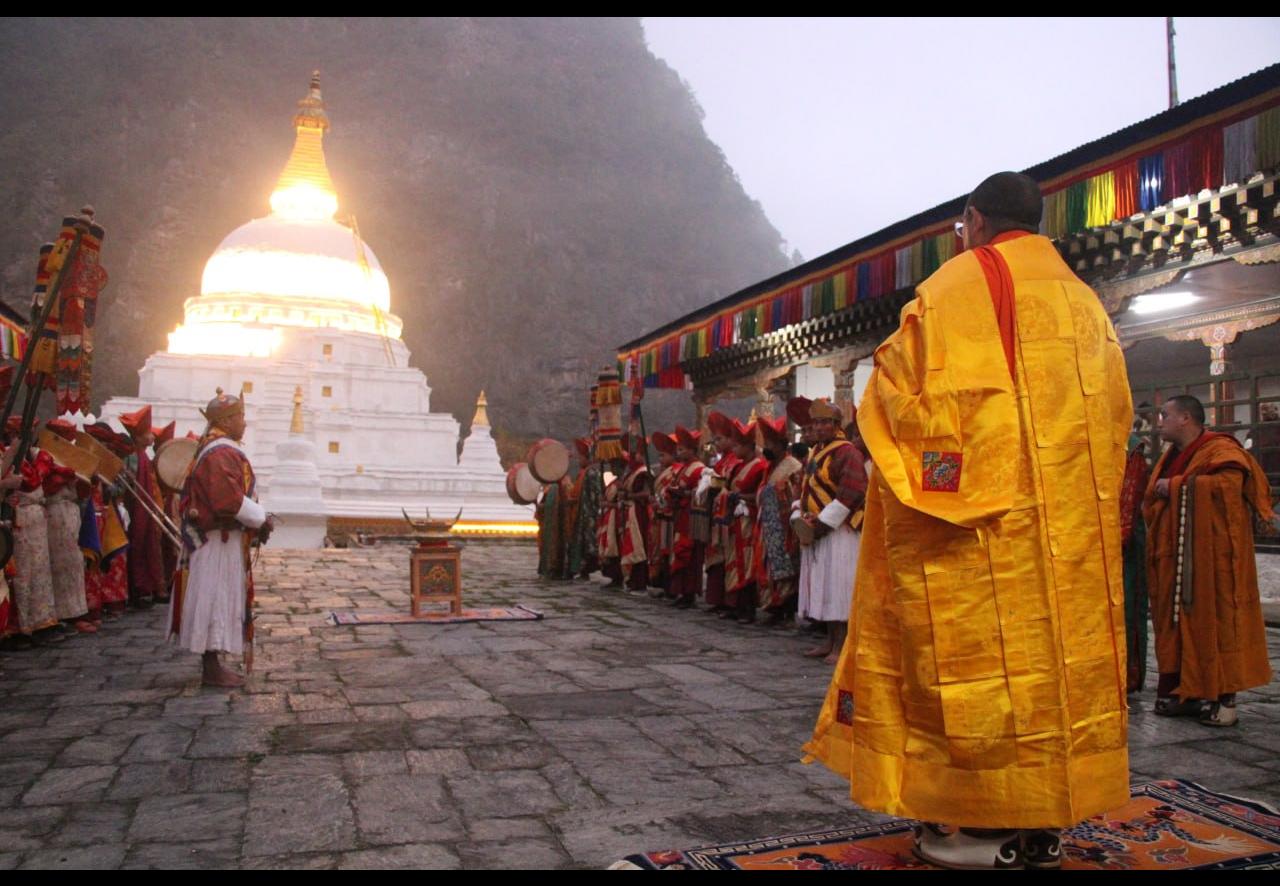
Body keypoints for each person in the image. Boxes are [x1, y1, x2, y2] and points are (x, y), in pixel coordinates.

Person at [806, 172, 1134, 870]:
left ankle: (979, 821)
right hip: (1065, 539)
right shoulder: (1086, 304)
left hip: (977, 536)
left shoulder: (955, 289)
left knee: (975, 677)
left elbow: (900, 399)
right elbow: (1114, 420)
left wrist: (952, 477)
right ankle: (1045, 813)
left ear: (975, 220)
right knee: (1052, 672)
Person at [1143, 394, 1274, 726]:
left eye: (1165, 416)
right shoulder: (1173, 455)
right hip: (1176, 558)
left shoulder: (1221, 451)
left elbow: (1228, 489)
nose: (1160, 423)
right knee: (1176, 620)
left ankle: (1222, 698)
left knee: (1216, 621)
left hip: (1213, 559)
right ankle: (1186, 691)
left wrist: (1174, 486)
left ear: (1186, 418)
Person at [168, 388, 272, 688]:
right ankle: (211, 667)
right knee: (215, 598)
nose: (244, 422)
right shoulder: (221, 453)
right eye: (240, 416)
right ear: (226, 421)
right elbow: (228, 500)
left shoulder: (215, 448)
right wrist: (260, 517)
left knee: (218, 597)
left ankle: (214, 662)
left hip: (219, 539)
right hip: (217, 541)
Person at [792, 398, 865, 661]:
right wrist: (799, 515)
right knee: (823, 585)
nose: (819, 427)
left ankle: (842, 645)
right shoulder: (816, 452)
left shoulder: (847, 452)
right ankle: (829, 640)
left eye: (825, 422)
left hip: (840, 530)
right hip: (818, 527)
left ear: (836, 425)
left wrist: (823, 523)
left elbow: (853, 492)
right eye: (816, 423)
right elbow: (805, 487)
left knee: (839, 586)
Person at [753, 417, 803, 625]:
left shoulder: (792, 466)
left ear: (782, 446)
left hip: (784, 525)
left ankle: (786, 609)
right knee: (770, 565)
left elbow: (795, 492)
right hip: (769, 523)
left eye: (771, 444)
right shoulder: (770, 467)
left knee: (787, 566)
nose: (768, 448)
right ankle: (773, 607)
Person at [119, 405, 167, 608]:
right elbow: (127, 483)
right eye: (147, 433)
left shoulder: (144, 456)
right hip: (136, 508)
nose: (151, 436)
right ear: (138, 437)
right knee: (138, 545)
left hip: (148, 506)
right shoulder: (132, 456)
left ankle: (150, 586)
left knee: (150, 546)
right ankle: (138, 588)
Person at [724, 419, 768, 624]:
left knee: (748, 563)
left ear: (749, 446)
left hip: (749, 520)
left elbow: (759, 494)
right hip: (736, 520)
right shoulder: (738, 466)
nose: (734, 449)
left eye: (737, 445)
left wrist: (741, 497)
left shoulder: (760, 466)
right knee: (734, 561)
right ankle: (734, 604)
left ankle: (748, 608)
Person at [1120, 425, 1151, 695]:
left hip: (1123, 546)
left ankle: (1127, 674)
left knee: (1127, 608)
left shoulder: (1131, 448)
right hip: (1093, 540)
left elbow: (1128, 503)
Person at [703, 412, 743, 613]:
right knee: (716, 557)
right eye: (715, 439)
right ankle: (716, 599)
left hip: (728, 517)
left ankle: (730, 601)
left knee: (729, 558)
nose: (716, 443)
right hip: (716, 514)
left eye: (720, 439)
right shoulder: (720, 462)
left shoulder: (736, 461)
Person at [668, 425, 706, 609]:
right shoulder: (684, 468)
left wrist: (682, 493)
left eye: (682, 449)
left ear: (692, 450)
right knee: (681, 553)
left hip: (691, 517)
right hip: (681, 516)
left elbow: (700, 493)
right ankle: (681, 591)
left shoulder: (698, 469)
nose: (678, 452)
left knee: (689, 555)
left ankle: (689, 593)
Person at [647, 432, 681, 596]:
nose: (660, 459)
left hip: (668, 517)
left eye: (663, 455)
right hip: (658, 516)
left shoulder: (675, 472)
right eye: (659, 455)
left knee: (668, 551)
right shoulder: (665, 471)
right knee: (659, 549)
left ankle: (670, 586)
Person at [566, 438, 602, 580]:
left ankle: (586, 570)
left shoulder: (591, 473)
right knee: (581, 543)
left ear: (588, 458)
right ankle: (581, 570)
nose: (579, 460)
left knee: (588, 544)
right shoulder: (583, 473)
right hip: (581, 513)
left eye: (581, 457)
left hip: (588, 514)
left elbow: (595, 495)